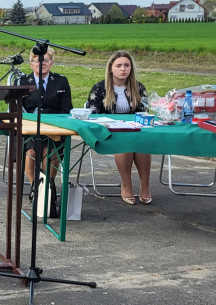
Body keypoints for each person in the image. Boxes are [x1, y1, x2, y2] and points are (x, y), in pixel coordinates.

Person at [87, 50, 151, 205]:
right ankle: (127, 185)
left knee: (143, 145)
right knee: (126, 144)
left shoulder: (139, 87)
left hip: (135, 131)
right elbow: (93, 116)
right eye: (119, 65)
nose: (123, 69)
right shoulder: (99, 88)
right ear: (111, 68)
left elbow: (145, 112)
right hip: (109, 133)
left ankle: (145, 186)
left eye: (127, 65)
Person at [17, 47, 72, 211]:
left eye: (46, 60)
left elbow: (66, 110)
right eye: (37, 61)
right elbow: (17, 109)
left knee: (51, 152)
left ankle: (49, 187)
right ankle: (36, 189)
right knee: (32, 152)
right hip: (30, 129)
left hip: (55, 128)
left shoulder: (61, 81)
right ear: (31, 64)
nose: (42, 64)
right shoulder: (22, 82)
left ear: (52, 63)